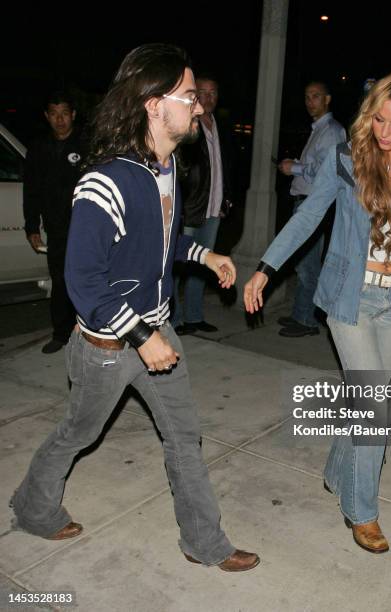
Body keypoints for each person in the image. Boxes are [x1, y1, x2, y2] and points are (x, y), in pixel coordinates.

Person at [10, 44, 259, 572]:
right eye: (189, 96)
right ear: (152, 103)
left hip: (157, 329)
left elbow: (159, 247)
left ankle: (204, 542)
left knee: (184, 437)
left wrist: (205, 254)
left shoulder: (166, 169)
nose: (198, 106)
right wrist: (143, 339)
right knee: (79, 432)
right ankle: (33, 507)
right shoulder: (105, 181)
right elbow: (83, 281)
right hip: (107, 346)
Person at [244, 73, 391, 553]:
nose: (384, 131)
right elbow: (308, 215)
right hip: (351, 299)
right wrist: (265, 268)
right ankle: (363, 512)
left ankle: (338, 472)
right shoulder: (346, 159)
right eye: (378, 118)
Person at [276, 81, 346, 337]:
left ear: (327, 99)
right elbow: (316, 164)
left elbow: (326, 171)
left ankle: (307, 320)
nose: (310, 101)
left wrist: (291, 168)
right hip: (306, 202)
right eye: (306, 96)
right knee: (304, 263)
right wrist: (295, 164)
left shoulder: (331, 131)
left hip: (314, 205)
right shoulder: (319, 129)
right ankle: (300, 313)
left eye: (315, 96)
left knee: (308, 266)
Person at [171, 74, 233, 336]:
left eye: (212, 93)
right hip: (190, 211)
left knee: (203, 264)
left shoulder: (223, 126)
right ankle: (171, 321)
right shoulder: (188, 126)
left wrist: (227, 198)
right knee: (176, 265)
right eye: (202, 93)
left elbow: (227, 166)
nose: (207, 98)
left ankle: (194, 317)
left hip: (214, 209)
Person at [23, 91, 82, 354]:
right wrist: (32, 227)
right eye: (54, 114)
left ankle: (89, 332)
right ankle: (61, 333)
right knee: (59, 281)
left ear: (73, 115)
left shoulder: (87, 145)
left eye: (65, 113)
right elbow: (31, 191)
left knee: (86, 280)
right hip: (56, 228)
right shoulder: (38, 148)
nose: (60, 120)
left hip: (85, 227)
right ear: (47, 117)